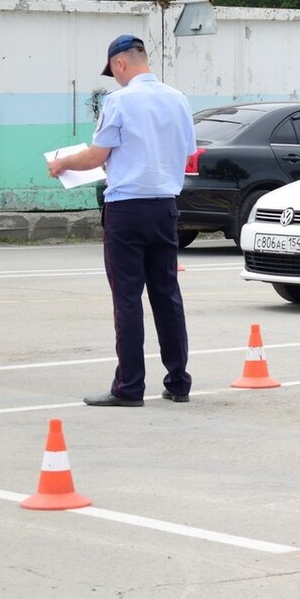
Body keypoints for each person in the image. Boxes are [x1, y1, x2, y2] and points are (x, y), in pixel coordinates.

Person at [47, 34, 196, 407]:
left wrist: (63, 163)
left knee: (127, 298)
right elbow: (189, 153)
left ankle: (129, 386)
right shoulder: (178, 99)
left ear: (121, 64)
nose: (114, 78)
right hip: (166, 207)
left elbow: (98, 155)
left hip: (127, 210)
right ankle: (178, 382)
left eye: (113, 71)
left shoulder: (119, 100)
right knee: (167, 296)